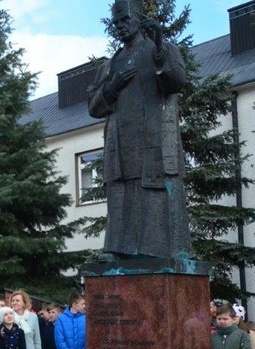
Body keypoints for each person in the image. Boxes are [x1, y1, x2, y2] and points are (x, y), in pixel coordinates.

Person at [88, 0, 191, 259]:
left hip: (153, 139)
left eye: (125, 20)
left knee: (153, 195)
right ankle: (119, 251)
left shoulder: (162, 49)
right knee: (121, 196)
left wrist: (158, 47)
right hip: (121, 143)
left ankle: (158, 252)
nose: (120, 26)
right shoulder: (109, 66)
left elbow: (176, 81)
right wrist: (112, 86)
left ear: (139, 19)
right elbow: (94, 107)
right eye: (116, 22)